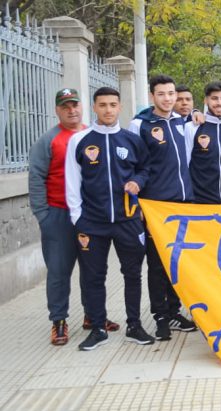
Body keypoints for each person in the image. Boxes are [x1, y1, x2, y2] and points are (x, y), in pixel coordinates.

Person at [65, 87, 155, 350]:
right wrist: (77, 217)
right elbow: (73, 180)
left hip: (128, 220)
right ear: (94, 107)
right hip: (92, 222)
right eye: (102, 105)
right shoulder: (80, 140)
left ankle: (134, 325)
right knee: (94, 276)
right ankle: (98, 328)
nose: (108, 110)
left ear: (120, 107)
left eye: (113, 105)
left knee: (132, 274)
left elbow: (145, 169)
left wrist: (137, 182)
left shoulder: (131, 140)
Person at [29, 88, 120, 345]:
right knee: (59, 270)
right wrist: (43, 215)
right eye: (65, 106)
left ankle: (93, 316)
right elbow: (36, 177)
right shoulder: (49, 140)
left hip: (89, 212)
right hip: (58, 215)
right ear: (57, 110)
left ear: (83, 106)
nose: (71, 110)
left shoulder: (91, 135)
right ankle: (58, 320)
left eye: (75, 105)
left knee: (92, 268)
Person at [128, 75, 197, 341]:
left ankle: (174, 310)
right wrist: (140, 205)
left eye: (172, 94)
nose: (168, 99)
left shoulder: (184, 122)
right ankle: (160, 316)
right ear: (152, 96)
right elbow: (135, 168)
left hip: (183, 204)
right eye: (162, 94)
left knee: (177, 262)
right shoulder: (140, 125)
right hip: (156, 206)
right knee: (157, 264)